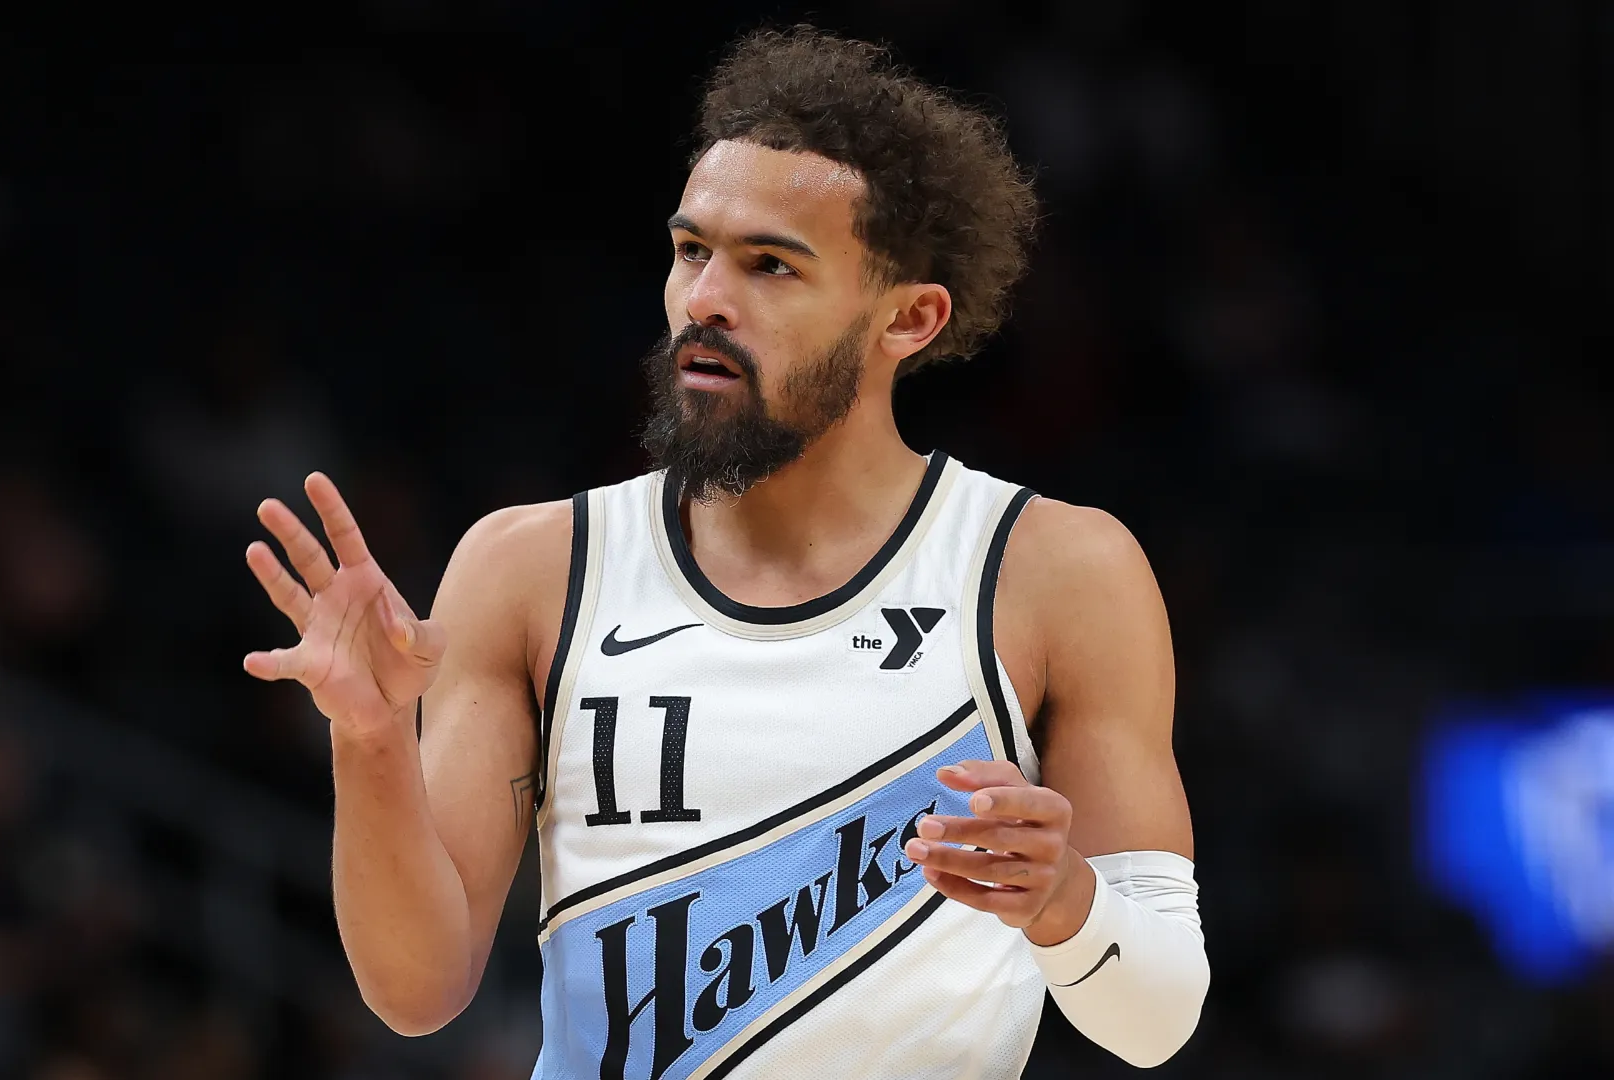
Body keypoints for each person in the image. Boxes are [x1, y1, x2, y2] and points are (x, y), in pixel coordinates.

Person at [242, 27, 1207, 1080]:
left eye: (770, 265)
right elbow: (417, 993)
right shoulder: (531, 568)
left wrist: (1066, 902)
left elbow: (1155, 1021)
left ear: (909, 319)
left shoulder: (1055, 571)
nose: (704, 297)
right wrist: (372, 740)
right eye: (691, 250)